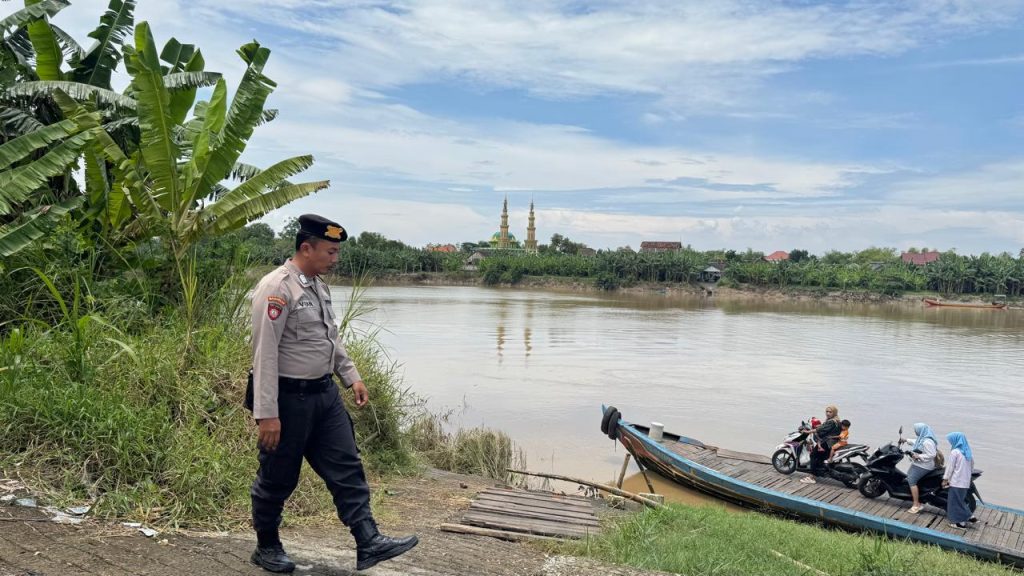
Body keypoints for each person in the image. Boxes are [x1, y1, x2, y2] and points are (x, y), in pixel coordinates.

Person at [248, 214, 418, 573]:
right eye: (330, 251)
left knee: (347, 465)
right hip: (287, 400)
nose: (335, 258)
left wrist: (350, 376)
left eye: (337, 251)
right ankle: (267, 545)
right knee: (278, 476)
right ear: (305, 248)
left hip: (324, 396)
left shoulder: (317, 285)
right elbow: (264, 353)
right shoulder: (277, 288)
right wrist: (267, 413)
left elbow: (330, 338)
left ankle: (368, 540)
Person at [800, 405, 841, 484]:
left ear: (834, 412)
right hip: (833, 442)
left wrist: (808, 431)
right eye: (827, 411)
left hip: (827, 443)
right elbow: (824, 428)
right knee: (820, 457)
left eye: (830, 412)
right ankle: (819, 471)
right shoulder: (837, 421)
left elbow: (821, 429)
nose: (828, 413)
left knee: (813, 455)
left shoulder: (832, 421)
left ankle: (811, 477)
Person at [943, 431, 975, 529]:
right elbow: (972, 467)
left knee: (954, 502)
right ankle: (964, 521)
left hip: (956, 481)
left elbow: (950, 467)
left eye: (951, 440)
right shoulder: (968, 452)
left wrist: (945, 479)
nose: (950, 443)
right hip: (965, 482)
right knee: (959, 501)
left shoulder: (955, 452)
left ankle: (965, 519)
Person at [905, 422, 939, 514]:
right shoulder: (923, 438)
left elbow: (932, 454)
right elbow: (916, 442)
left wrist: (919, 456)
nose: (915, 431)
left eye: (916, 430)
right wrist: (905, 440)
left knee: (911, 480)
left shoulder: (927, 441)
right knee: (910, 476)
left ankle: (916, 505)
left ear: (920, 430)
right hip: (921, 464)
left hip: (924, 465)